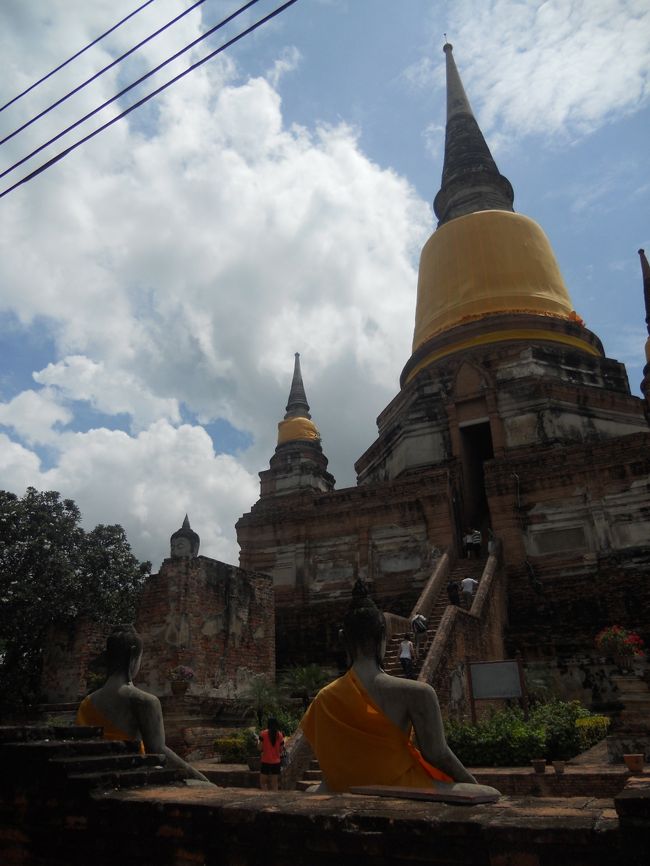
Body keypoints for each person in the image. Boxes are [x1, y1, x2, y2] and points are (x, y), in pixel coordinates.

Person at [300, 580, 500, 800]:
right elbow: (437, 754)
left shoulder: (324, 698)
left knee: (312, 790)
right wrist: (470, 783)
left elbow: (333, 760)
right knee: (489, 794)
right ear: (383, 637)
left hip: (344, 787)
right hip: (399, 786)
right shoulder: (416, 692)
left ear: (342, 639)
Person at [76, 625, 210, 783]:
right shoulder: (145, 701)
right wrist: (205, 780)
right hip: (130, 779)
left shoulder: (87, 702)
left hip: (92, 779)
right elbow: (158, 752)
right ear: (133, 655)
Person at [257, 717, 285, 791]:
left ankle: (265, 798)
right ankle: (274, 800)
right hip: (276, 761)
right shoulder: (280, 735)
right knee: (275, 783)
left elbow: (259, 748)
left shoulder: (263, 734)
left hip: (266, 760)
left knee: (263, 783)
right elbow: (281, 750)